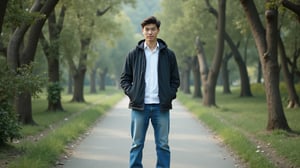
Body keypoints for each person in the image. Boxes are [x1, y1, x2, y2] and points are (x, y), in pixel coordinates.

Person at [120, 16, 180, 168]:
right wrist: (133, 93)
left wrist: (169, 95)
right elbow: (124, 79)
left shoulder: (168, 54)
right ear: (143, 31)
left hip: (161, 107)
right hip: (140, 107)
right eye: (147, 29)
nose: (150, 32)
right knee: (136, 144)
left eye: (153, 29)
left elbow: (175, 80)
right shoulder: (133, 54)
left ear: (158, 31)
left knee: (163, 145)